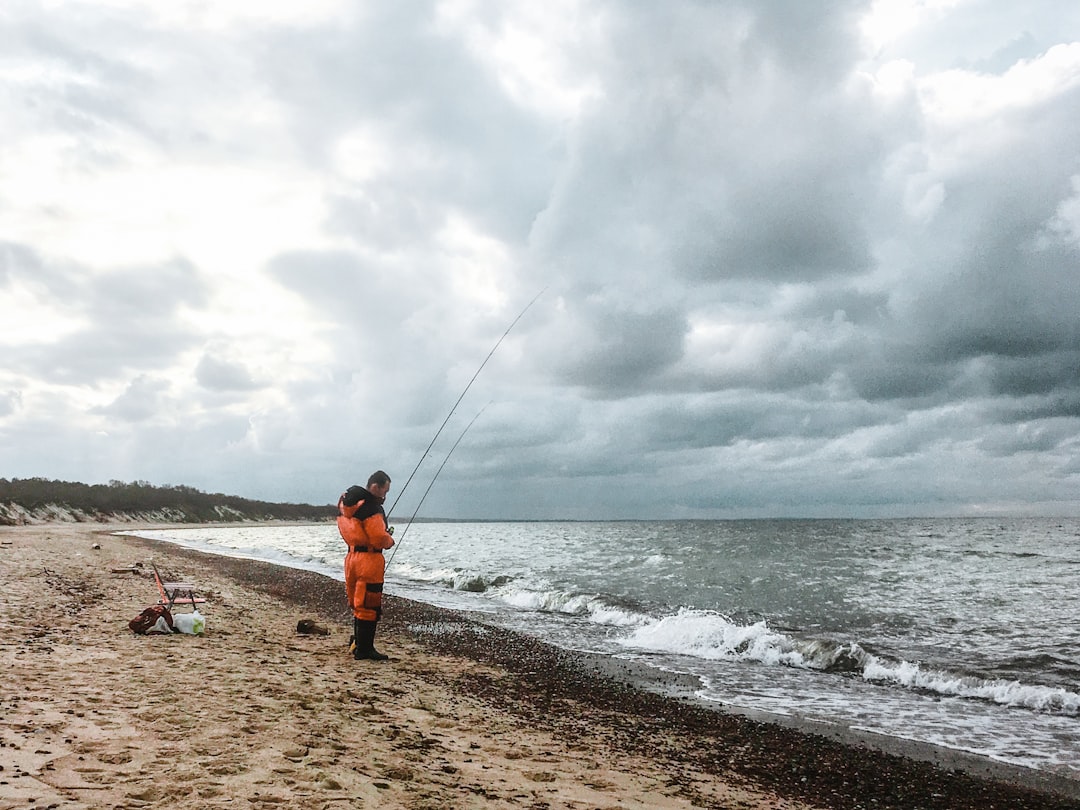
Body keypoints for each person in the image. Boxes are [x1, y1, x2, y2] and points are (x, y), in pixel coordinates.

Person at [337, 471, 395, 660]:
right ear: (375, 487)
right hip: (369, 560)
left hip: (351, 557)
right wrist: (389, 540)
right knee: (369, 603)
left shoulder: (348, 505)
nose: (385, 496)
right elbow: (378, 538)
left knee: (357, 602)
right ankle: (365, 649)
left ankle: (358, 643)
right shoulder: (372, 508)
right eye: (384, 491)